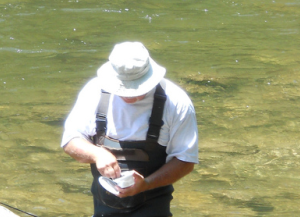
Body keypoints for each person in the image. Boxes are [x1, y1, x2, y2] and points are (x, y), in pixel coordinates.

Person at [62, 42, 198, 217]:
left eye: (136, 88)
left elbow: (185, 160)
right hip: (103, 205)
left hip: (154, 205)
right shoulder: (94, 92)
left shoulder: (177, 102)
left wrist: (146, 184)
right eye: (123, 87)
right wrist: (97, 154)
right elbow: (70, 141)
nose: (129, 95)